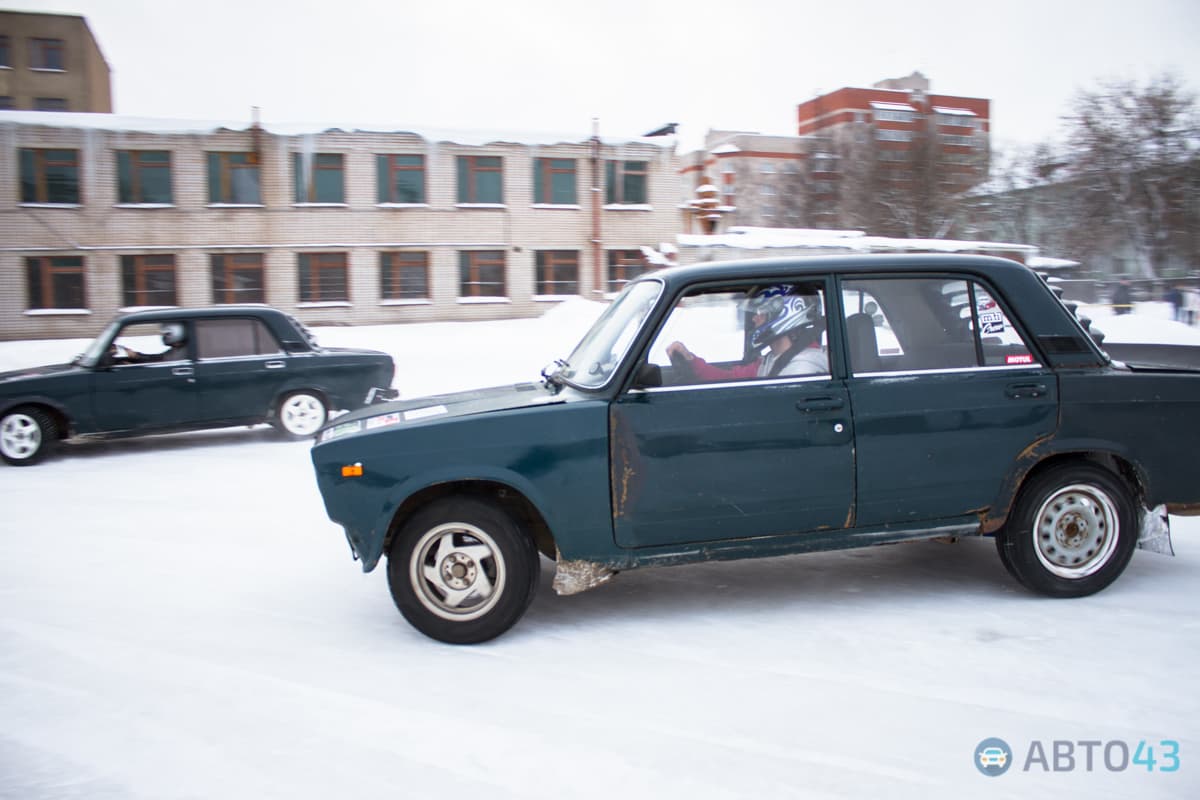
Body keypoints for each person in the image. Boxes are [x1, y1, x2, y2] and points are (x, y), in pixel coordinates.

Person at [667, 285, 827, 380]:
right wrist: (692, 362)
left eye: (761, 313)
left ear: (783, 314)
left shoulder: (803, 368)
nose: (755, 319)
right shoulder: (772, 359)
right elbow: (731, 379)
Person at [112, 323, 189, 363]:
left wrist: (137, 357)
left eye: (166, 334)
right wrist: (136, 356)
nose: (163, 336)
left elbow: (160, 362)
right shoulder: (175, 350)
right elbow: (157, 358)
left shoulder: (184, 352)